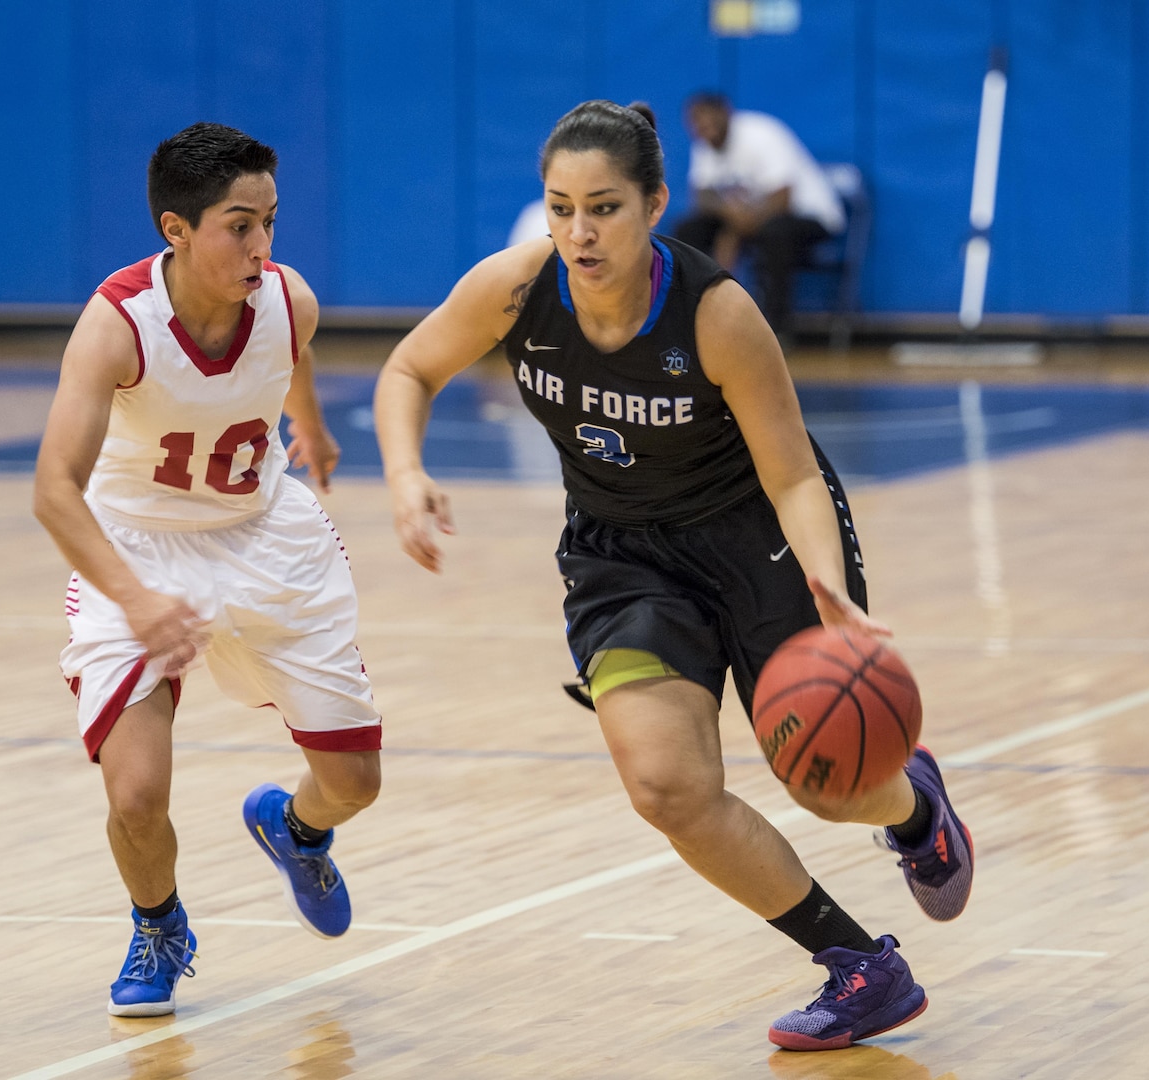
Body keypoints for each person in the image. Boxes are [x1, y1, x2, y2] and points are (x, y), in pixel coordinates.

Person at [374, 100, 973, 1051]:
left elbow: (790, 473)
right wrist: (406, 476)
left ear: (655, 204)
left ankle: (914, 810)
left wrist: (825, 579)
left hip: (759, 538)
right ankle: (862, 969)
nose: (578, 231)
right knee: (666, 788)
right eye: (560, 206)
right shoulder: (514, 288)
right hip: (623, 553)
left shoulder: (718, 315)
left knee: (822, 780)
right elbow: (408, 369)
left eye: (603, 207)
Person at [33, 122, 383, 1017]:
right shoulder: (117, 326)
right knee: (138, 792)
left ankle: (295, 828)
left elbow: (289, 357)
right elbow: (54, 493)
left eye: (270, 220)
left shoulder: (288, 297)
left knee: (355, 784)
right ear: (176, 229)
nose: (261, 244)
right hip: (137, 548)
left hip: (266, 537)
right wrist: (136, 599)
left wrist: (310, 423)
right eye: (239, 225)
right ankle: (159, 924)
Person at [673, 91, 845, 340]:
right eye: (696, 122)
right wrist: (731, 225)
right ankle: (689, 317)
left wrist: (732, 234)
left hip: (809, 217)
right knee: (689, 229)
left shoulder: (761, 134)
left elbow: (782, 200)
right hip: (752, 223)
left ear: (726, 113)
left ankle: (776, 329)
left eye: (707, 119)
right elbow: (703, 197)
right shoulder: (705, 143)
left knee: (775, 233)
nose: (702, 127)